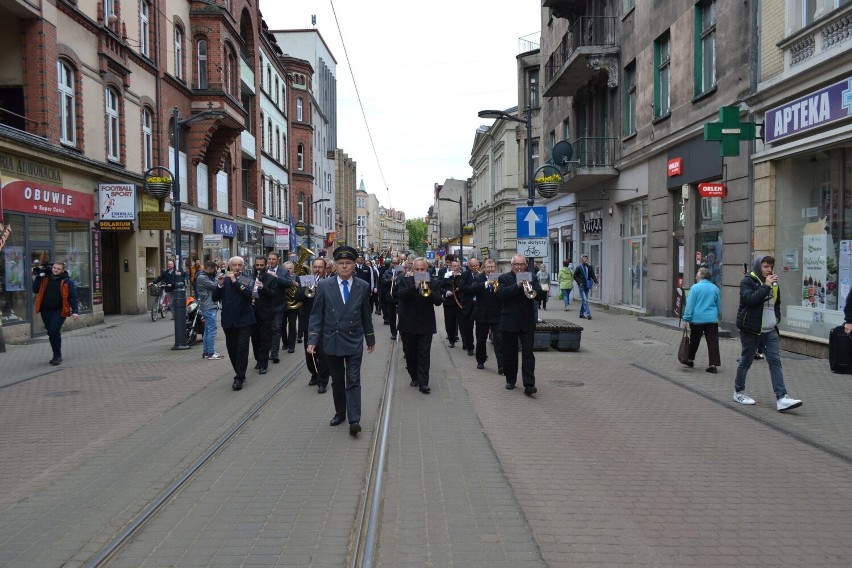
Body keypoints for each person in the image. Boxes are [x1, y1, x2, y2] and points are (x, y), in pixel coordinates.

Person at [307, 245, 376, 436]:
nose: (345, 267)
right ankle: (340, 412)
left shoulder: (363, 286)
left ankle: (355, 419)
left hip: (354, 340)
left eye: (348, 263)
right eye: (341, 263)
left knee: (353, 379)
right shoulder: (324, 286)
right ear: (335, 266)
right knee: (337, 380)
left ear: (354, 265)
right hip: (332, 340)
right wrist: (312, 339)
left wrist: (370, 338)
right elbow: (316, 315)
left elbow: (365, 314)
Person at [733, 255, 803, 412]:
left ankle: (782, 397)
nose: (769, 270)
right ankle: (738, 392)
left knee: (775, 362)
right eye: (765, 266)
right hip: (751, 330)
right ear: (758, 267)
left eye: (771, 266)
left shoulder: (774, 283)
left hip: (769, 330)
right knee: (746, 361)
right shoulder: (748, 281)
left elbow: (776, 303)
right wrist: (765, 286)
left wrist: (775, 318)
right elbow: (749, 300)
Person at [497, 254, 545, 395]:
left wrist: (536, 291)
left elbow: (540, 295)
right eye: (516, 265)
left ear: (526, 265)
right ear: (512, 266)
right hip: (509, 321)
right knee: (510, 354)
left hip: (527, 321)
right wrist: (517, 285)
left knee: (528, 354)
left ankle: (529, 384)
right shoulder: (504, 278)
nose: (519, 267)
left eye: (522, 264)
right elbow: (501, 294)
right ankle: (510, 380)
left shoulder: (532, 277)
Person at [395, 257, 443, 393]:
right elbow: (400, 295)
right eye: (417, 269)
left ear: (426, 270)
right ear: (413, 269)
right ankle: (414, 376)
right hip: (408, 324)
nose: (420, 271)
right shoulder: (405, 281)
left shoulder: (432, 283)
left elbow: (439, 301)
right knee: (410, 354)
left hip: (426, 325)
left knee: (424, 354)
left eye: (422, 269)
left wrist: (428, 289)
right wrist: (414, 286)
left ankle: (423, 383)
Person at [213, 256, 256, 391]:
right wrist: (219, 284)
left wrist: (235, 280)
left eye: (239, 265)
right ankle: (239, 371)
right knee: (232, 350)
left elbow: (249, 294)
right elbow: (215, 297)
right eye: (234, 265)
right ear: (230, 267)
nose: (237, 267)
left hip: (244, 321)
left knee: (242, 349)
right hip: (228, 321)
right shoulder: (224, 279)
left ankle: (239, 377)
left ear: (243, 267)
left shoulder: (246, 278)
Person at [32, 261, 79, 365]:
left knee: (54, 330)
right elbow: (35, 289)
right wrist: (40, 275)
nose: (55, 270)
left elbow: (73, 297)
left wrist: (75, 311)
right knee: (51, 333)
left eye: (58, 269)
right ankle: (56, 354)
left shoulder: (67, 281)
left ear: (62, 270)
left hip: (60, 310)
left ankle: (57, 356)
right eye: (54, 268)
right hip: (45, 310)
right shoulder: (45, 278)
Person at [296, 257, 331, 392]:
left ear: (324, 268)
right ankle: (314, 374)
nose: (317, 270)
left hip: (324, 322)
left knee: (322, 353)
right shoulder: (304, 280)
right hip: (309, 322)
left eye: (320, 267)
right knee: (309, 353)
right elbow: (297, 297)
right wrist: (307, 290)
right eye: (315, 267)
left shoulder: (329, 282)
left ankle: (322, 381)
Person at [682, 267, 721, 373]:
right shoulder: (715, 288)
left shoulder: (695, 288)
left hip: (697, 319)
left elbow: (690, 305)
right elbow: (718, 306)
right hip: (712, 319)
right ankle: (713, 365)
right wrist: (717, 316)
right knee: (713, 342)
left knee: (694, 340)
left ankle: (690, 360)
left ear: (702, 276)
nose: (696, 276)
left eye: (697, 274)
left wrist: (686, 318)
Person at [471, 258, 504, 373]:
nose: (490, 269)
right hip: (482, 315)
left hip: (497, 314)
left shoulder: (500, 278)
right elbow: (472, 289)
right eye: (488, 267)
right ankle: (480, 361)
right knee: (481, 340)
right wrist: (486, 283)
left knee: (499, 340)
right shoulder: (478, 278)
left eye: (492, 267)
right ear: (484, 268)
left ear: (495, 267)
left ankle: (501, 365)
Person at [249, 256, 281, 375]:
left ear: (266, 265)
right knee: (255, 339)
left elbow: (274, 294)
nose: (259, 268)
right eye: (257, 265)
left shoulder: (271, 279)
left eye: (261, 265)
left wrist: (263, 287)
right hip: (252, 313)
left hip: (266, 313)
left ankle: (263, 364)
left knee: (264, 339)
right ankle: (258, 359)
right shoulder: (250, 277)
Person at [265, 251, 293, 363]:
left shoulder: (283, 271)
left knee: (276, 329)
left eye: (273, 259)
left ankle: (275, 353)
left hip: (278, 305)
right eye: (269, 259)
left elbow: (288, 283)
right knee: (267, 330)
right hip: (266, 305)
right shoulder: (264, 269)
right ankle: (269, 349)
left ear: (278, 260)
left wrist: (276, 277)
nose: (271, 261)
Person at [195, 260, 224, 360]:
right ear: (208, 269)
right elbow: (215, 286)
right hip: (208, 305)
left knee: (207, 330)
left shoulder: (204, 276)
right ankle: (211, 353)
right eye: (213, 270)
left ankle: (207, 352)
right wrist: (219, 277)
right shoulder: (202, 277)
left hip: (208, 305)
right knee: (211, 330)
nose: (214, 271)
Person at [456, 257, 479, 355]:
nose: (475, 267)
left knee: (480, 328)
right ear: (469, 266)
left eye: (476, 265)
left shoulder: (482, 274)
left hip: (479, 305)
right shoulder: (465, 274)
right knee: (468, 328)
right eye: (473, 266)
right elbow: (461, 288)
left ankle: (480, 347)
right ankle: (470, 347)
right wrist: (473, 288)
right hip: (469, 304)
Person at [440, 258, 462, 347]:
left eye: (457, 266)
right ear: (450, 267)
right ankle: (451, 340)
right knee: (450, 322)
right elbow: (440, 287)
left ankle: (466, 343)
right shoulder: (446, 276)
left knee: (463, 323)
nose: (456, 268)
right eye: (454, 266)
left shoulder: (462, 276)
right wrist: (446, 292)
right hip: (449, 302)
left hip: (460, 303)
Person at [380, 256, 401, 338]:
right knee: (392, 316)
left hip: (399, 296)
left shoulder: (401, 271)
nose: (395, 265)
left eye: (396, 263)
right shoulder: (386, 272)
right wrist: (391, 280)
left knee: (401, 316)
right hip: (390, 297)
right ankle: (394, 333)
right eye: (393, 263)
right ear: (391, 263)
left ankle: (401, 331)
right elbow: (383, 281)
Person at [573, 254, 598, 320]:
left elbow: (593, 275)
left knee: (585, 300)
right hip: (581, 286)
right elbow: (575, 276)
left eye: (586, 258)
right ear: (581, 259)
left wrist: (596, 282)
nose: (585, 259)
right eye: (584, 258)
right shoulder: (579, 267)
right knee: (585, 300)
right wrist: (579, 282)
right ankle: (588, 314)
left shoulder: (589, 267)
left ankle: (581, 314)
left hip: (587, 285)